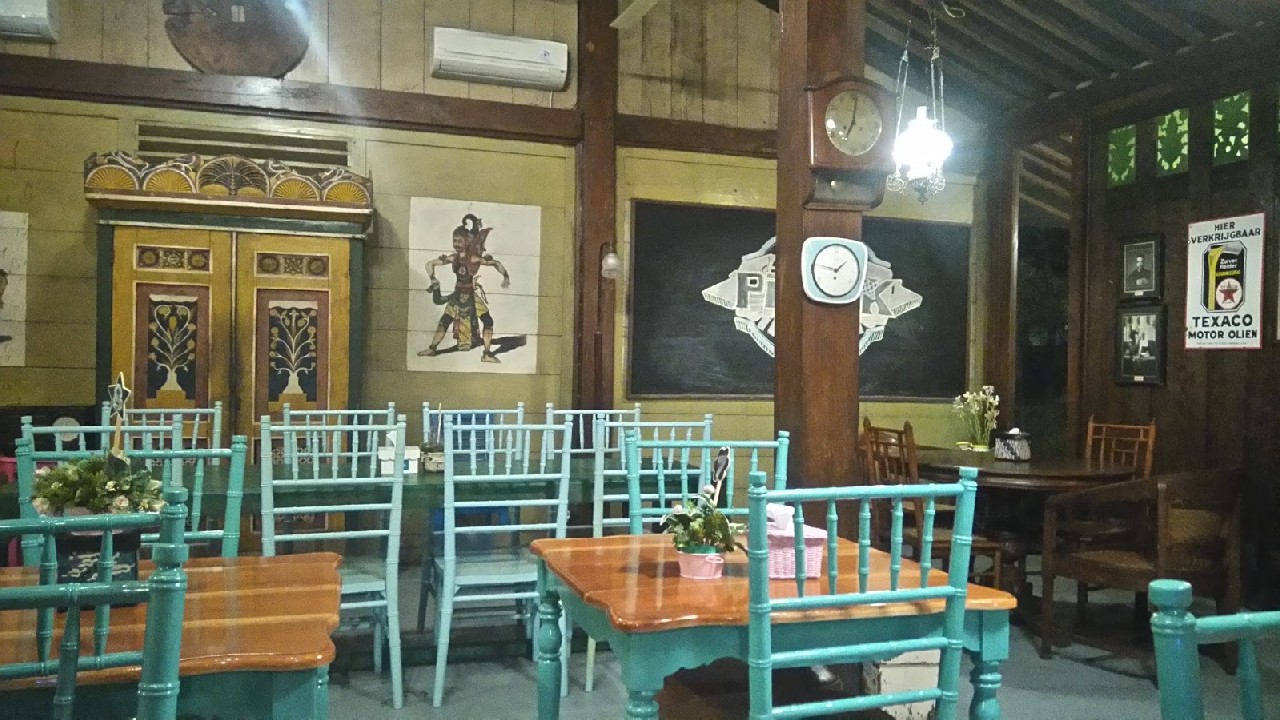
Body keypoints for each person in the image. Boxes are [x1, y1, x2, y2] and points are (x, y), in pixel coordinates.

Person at [417, 214, 511, 363]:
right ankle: (432, 348)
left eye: (460, 241)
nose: (456, 244)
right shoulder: (453, 258)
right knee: (444, 321)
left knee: (487, 320)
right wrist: (432, 278)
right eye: (454, 240)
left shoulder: (473, 258)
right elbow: (430, 264)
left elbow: (495, 263)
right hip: (457, 295)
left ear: (467, 242)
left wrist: (505, 275)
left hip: (470, 295)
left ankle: (486, 354)